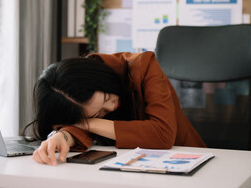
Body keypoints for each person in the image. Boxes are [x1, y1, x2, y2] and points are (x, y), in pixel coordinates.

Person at [24, 51, 206, 166]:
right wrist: (63, 135)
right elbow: (78, 129)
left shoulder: (145, 66)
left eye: (106, 97)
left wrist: (89, 122)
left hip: (187, 160)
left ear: (100, 78)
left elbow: (162, 134)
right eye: (99, 113)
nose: (112, 106)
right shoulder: (77, 99)